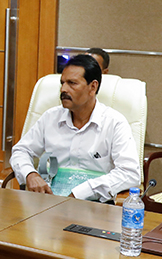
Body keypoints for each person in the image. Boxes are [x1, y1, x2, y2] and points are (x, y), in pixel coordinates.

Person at [10, 54, 138, 202]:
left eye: (72, 83)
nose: (63, 89)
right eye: (62, 83)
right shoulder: (50, 117)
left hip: (94, 205)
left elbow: (129, 173)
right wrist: (30, 174)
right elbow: (21, 150)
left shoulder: (114, 123)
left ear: (93, 86)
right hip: (49, 201)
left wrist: (82, 192)